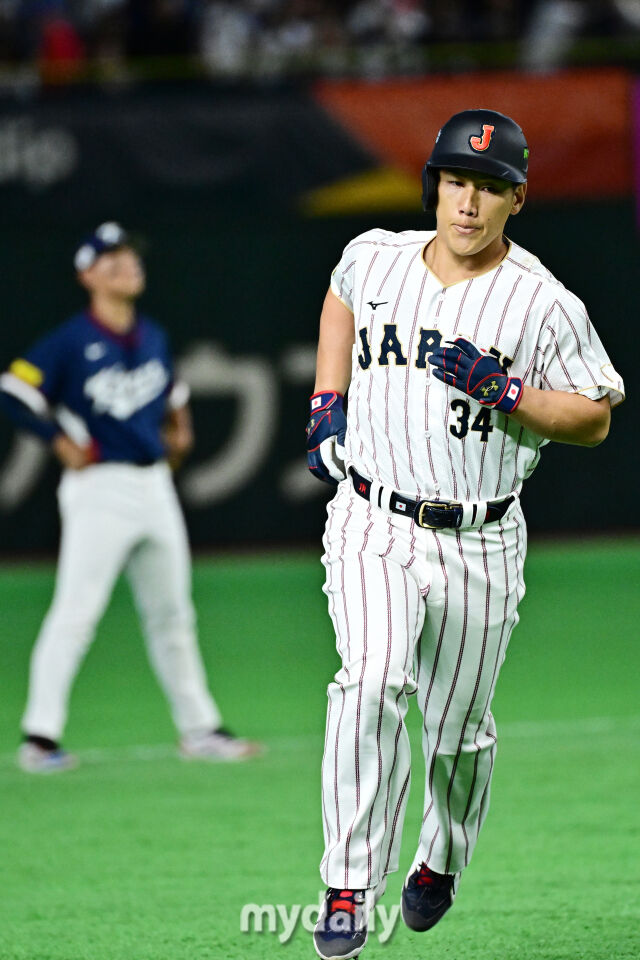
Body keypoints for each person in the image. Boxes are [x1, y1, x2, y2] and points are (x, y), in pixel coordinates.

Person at [306, 110, 624, 959]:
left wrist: (511, 393)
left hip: (480, 539)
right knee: (370, 681)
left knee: (458, 729)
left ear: (517, 198)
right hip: (372, 518)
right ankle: (349, 882)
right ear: (435, 187)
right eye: (456, 182)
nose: (469, 203)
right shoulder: (376, 257)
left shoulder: (542, 301)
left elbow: (593, 416)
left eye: (488, 187)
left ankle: (442, 856)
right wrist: (327, 400)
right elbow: (340, 299)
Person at [0, 222, 261, 773]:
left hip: (154, 486)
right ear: (87, 275)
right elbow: (16, 388)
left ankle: (200, 728)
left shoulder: (151, 334)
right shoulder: (71, 340)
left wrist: (180, 425)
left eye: (130, 259)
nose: (127, 267)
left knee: (173, 614)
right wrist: (58, 440)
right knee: (76, 613)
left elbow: (172, 389)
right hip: (99, 489)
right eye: (112, 260)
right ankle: (39, 737)